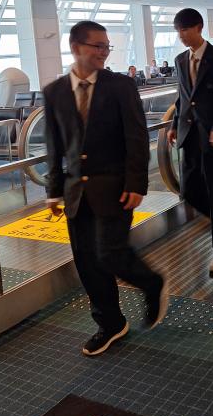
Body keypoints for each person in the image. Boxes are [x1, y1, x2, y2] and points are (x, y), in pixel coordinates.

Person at [44, 20, 166, 356]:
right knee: (86, 261)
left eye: (106, 46)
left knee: (109, 253)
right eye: (97, 46)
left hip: (115, 187)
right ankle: (111, 323)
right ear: (76, 47)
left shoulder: (120, 86)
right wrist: (54, 190)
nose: (104, 52)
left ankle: (151, 282)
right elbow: (55, 146)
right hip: (75, 192)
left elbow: (136, 137)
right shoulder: (54, 92)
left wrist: (137, 183)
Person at [167, 8, 213, 273]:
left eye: (185, 29)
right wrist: (174, 124)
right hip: (189, 135)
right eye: (178, 31)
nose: (182, 35)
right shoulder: (180, 60)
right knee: (188, 191)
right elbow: (183, 97)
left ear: (199, 27)